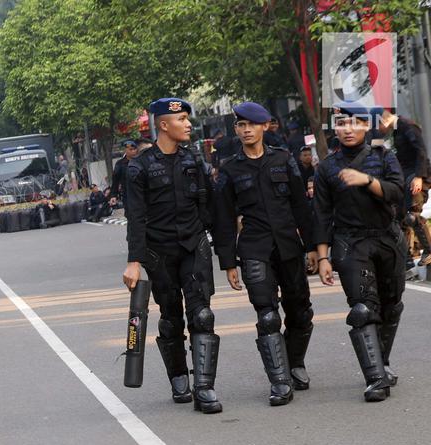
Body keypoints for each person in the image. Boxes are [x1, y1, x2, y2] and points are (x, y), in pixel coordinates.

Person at [121, 97, 222, 413]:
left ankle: (204, 388)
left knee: (202, 315)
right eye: (182, 120)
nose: (188, 124)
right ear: (164, 125)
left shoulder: (194, 162)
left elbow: (209, 206)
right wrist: (134, 262)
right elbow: (136, 217)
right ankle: (179, 377)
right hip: (159, 253)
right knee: (171, 319)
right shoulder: (138, 168)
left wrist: (226, 251)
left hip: (193, 248)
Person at [213, 102, 316, 406]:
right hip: (254, 248)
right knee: (267, 315)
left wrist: (312, 247)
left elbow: (301, 206)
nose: (245, 130)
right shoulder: (230, 169)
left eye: (250, 125)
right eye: (240, 125)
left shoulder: (284, 160)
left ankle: (294, 362)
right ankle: (280, 381)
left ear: (264, 126)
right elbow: (223, 217)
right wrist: (228, 262)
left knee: (301, 312)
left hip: (289, 246)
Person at [314, 102, 407, 402]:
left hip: (387, 240)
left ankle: (382, 361)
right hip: (350, 243)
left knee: (391, 306)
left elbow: (396, 191)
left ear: (366, 126)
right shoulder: (327, 167)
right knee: (362, 309)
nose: (347, 129)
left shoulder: (384, 157)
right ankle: (376, 378)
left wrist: (367, 181)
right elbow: (321, 214)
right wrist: (323, 257)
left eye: (354, 123)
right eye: (341, 124)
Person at [376, 109, 431, 264]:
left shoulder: (407, 126)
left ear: (384, 119)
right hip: (405, 176)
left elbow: (421, 151)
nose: (379, 130)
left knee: (412, 215)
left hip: (418, 175)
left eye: (378, 126)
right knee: (399, 217)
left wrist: (419, 177)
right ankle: (405, 259)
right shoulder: (396, 130)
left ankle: (429, 251)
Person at [109, 139, 138, 206]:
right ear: (125, 150)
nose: (133, 151)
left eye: (134, 149)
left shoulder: (140, 161)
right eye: (130, 149)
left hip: (141, 194)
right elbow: (115, 180)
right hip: (128, 196)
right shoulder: (120, 164)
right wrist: (113, 195)